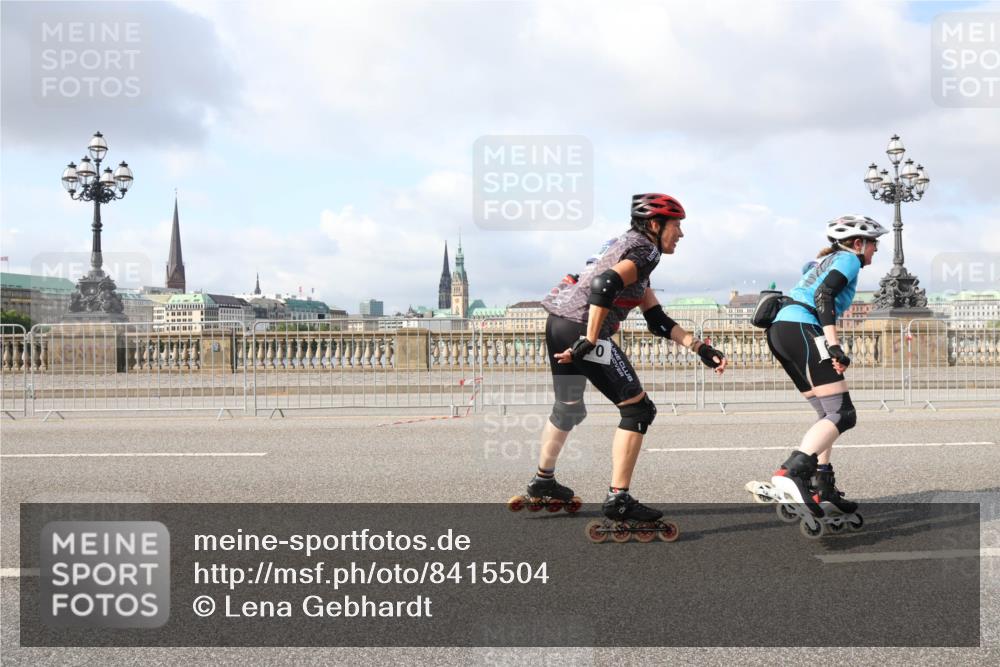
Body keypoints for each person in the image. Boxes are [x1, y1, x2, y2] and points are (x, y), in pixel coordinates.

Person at [515, 193, 727, 530]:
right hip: (582, 328)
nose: (682, 235)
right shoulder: (647, 249)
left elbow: (656, 319)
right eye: (678, 226)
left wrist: (699, 347)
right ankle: (619, 499)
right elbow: (605, 284)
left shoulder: (625, 248)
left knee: (568, 408)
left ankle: (543, 481)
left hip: (558, 323)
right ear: (656, 225)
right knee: (639, 410)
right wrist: (590, 337)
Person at [766, 214, 888, 523]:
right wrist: (833, 345)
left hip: (782, 331)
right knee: (843, 414)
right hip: (802, 327)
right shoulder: (848, 259)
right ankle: (792, 472)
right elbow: (824, 295)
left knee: (827, 413)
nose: (875, 250)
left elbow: (811, 279)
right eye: (874, 244)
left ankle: (822, 484)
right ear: (858, 243)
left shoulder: (824, 260)